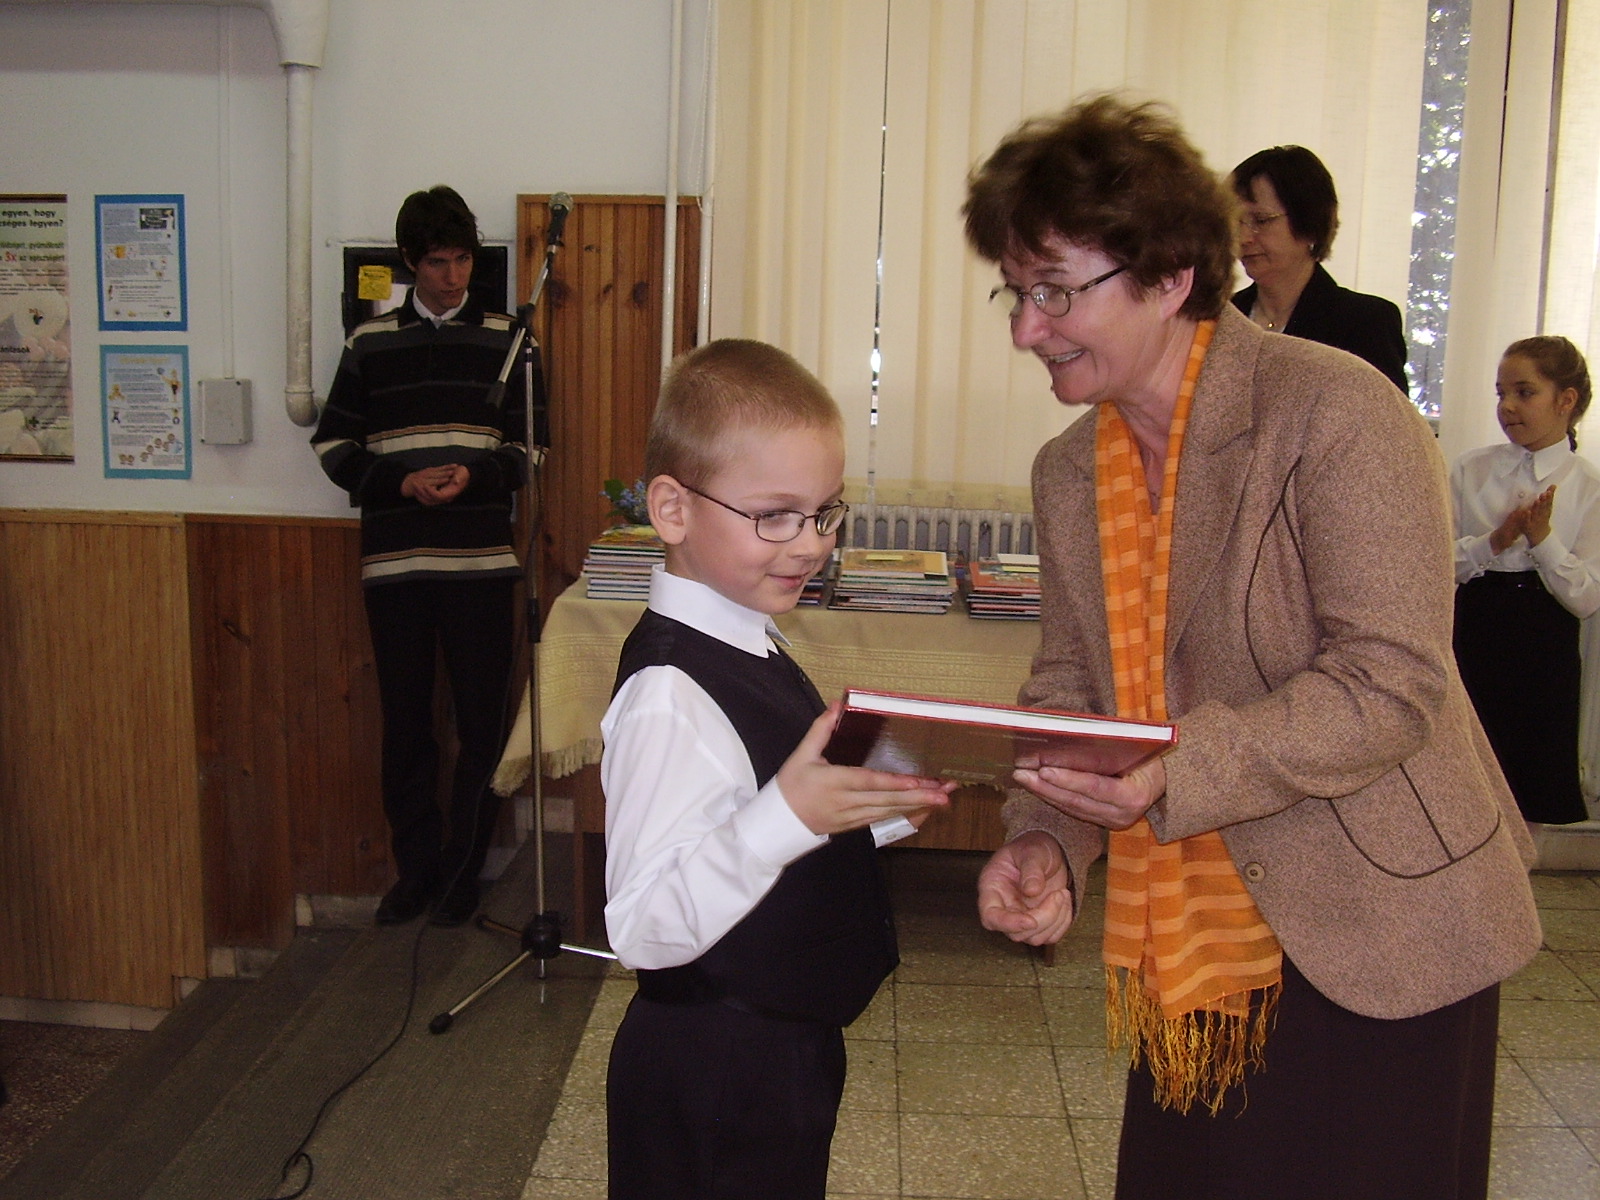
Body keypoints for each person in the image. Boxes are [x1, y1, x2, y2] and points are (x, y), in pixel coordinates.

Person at [962, 95, 1540, 1200]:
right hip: (1194, 945)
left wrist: (1172, 769)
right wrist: (1047, 840)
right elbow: (1073, 685)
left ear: (1169, 276)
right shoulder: (1069, 471)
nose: (1027, 329)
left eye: (1054, 291)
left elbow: (1392, 683)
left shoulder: (1335, 411)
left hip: (1384, 925)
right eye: (1014, 291)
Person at [600, 339, 951, 1200]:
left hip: (779, 1048)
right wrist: (789, 815)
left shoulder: (748, 634)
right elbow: (642, 925)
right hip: (712, 1065)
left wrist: (878, 810)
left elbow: (752, 809)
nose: (809, 544)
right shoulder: (668, 694)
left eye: (826, 514)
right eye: (775, 516)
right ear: (673, 509)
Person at [311, 185, 532, 927]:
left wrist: (477, 475)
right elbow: (333, 446)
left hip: (481, 567)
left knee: (482, 725)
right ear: (410, 262)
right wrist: (401, 483)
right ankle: (417, 872)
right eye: (438, 262)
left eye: (463, 259)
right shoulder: (369, 343)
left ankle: (464, 873)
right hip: (396, 569)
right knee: (407, 725)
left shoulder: (510, 340)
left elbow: (530, 448)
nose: (453, 276)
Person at [1452, 335, 1600, 842]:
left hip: (1543, 645)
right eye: (1501, 393)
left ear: (1565, 400)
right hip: (1472, 631)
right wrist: (1494, 542)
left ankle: (1517, 881)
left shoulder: (1589, 487)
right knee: (1464, 775)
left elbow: (1585, 597)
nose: (1507, 407)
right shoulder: (1470, 469)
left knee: (1528, 787)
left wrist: (1543, 539)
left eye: (1524, 392)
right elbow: (1435, 563)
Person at [1229, 144, 1410, 393]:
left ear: (1310, 223)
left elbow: (1384, 416)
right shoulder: (1222, 318)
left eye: (1261, 220)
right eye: (1236, 222)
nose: (1244, 237)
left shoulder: (1365, 322)